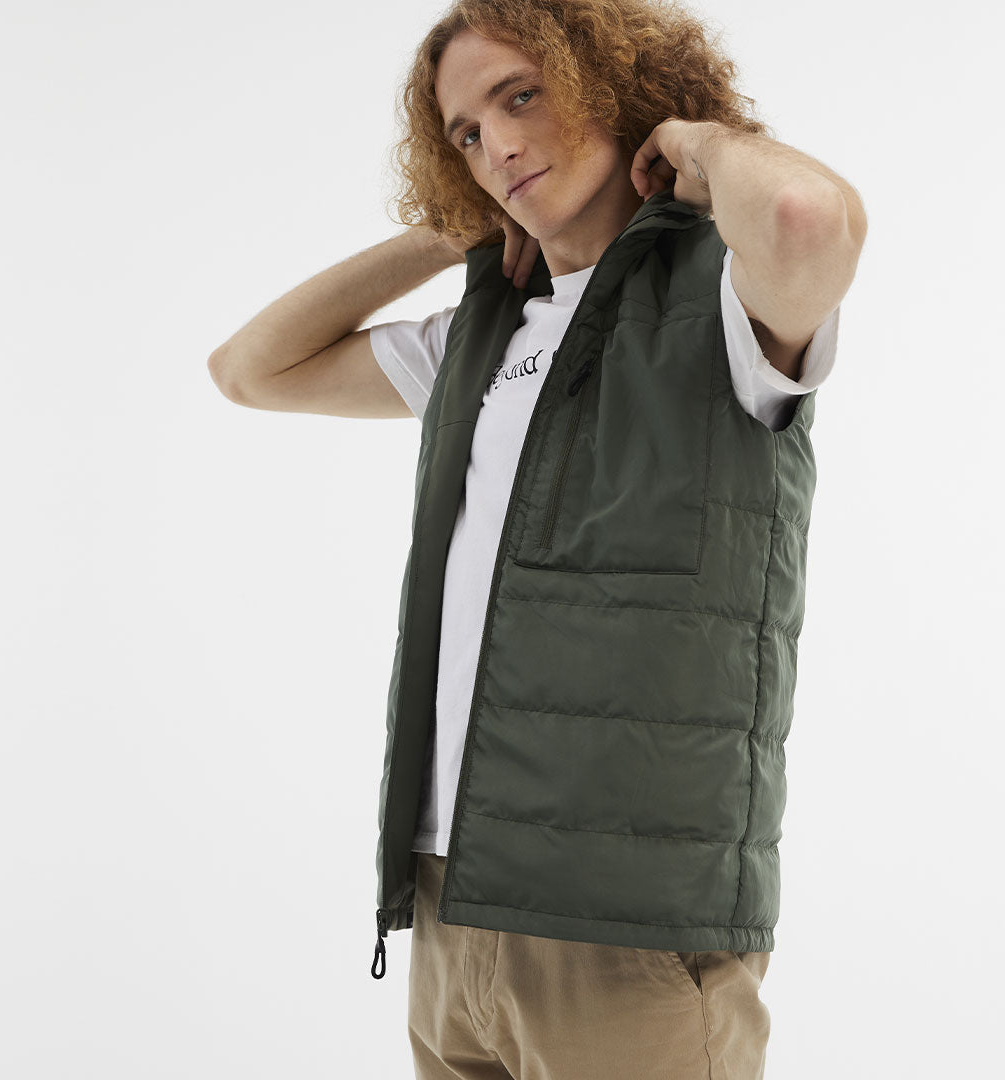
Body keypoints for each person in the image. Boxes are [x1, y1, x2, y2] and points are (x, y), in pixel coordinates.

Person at [208, 2, 867, 1075]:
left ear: (614, 83)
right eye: (466, 134)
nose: (500, 144)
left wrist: (695, 140)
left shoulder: (728, 304)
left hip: (625, 925)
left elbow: (803, 214)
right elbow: (248, 370)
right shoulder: (483, 335)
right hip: (450, 901)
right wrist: (447, 226)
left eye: (523, 96)